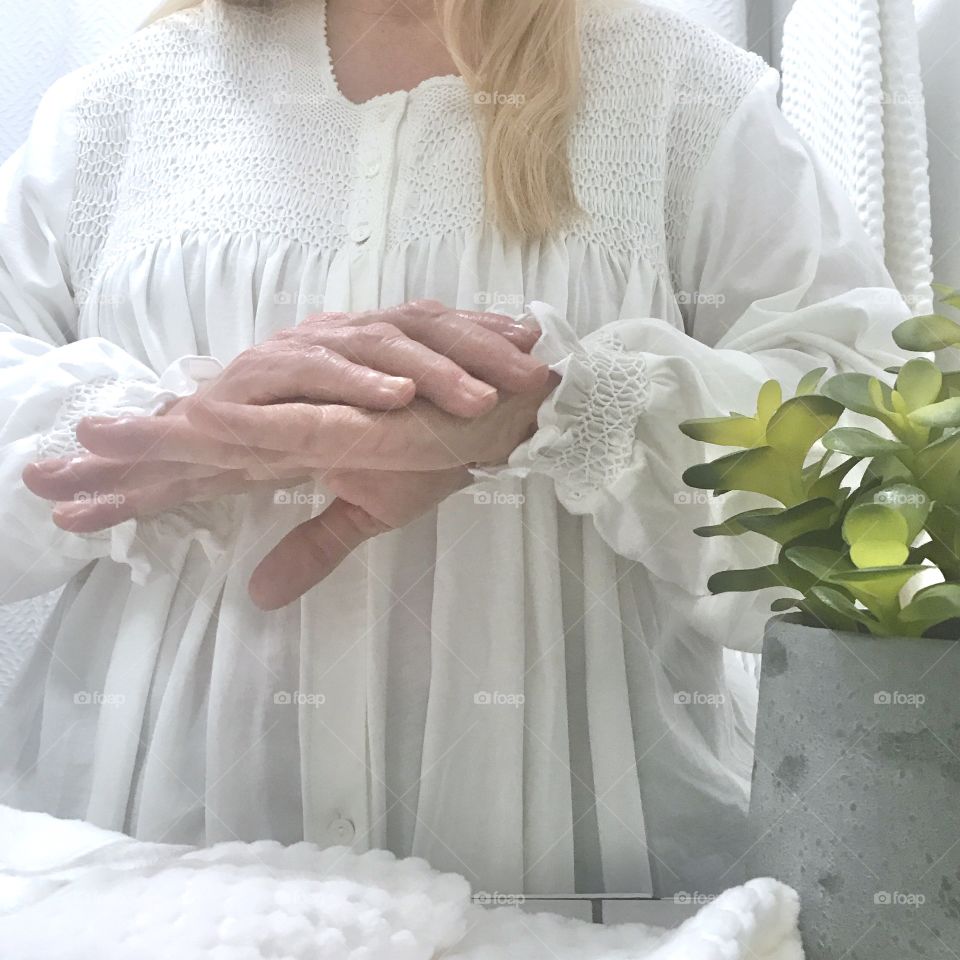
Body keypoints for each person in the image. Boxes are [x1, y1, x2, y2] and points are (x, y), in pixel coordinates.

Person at [0, 0, 908, 896]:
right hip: (141, 887)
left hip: (591, 895)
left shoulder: (684, 96)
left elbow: (883, 487)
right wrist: (160, 431)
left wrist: (566, 408)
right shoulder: (118, 105)